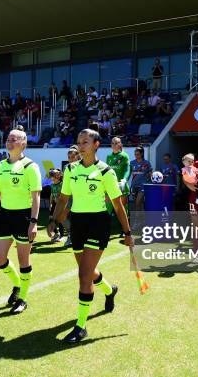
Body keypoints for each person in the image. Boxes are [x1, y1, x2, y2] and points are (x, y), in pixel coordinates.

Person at [47, 128, 133, 343]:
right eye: (79, 141)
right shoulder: (71, 170)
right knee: (88, 271)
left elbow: (118, 204)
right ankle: (109, 289)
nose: (81, 145)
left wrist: (128, 232)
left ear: (96, 145)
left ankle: (81, 326)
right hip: (77, 223)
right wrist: (53, 220)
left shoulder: (106, 172)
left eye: (86, 141)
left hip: (98, 223)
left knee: (84, 275)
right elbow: (64, 198)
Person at [0, 128, 41, 314]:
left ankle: (23, 299)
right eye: (8, 138)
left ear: (23, 143)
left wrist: (33, 222)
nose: (9, 141)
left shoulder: (30, 167)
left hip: (23, 217)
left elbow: (36, 197)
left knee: (23, 259)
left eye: (14, 139)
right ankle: (17, 284)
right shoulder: (0, 166)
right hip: (3, 216)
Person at [106, 137, 131, 216]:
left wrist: (124, 180)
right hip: (111, 186)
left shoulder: (124, 156)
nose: (114, 145)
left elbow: (127, 170)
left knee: (122, 209)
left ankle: (125, 227)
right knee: (107, 208)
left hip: (122, 186)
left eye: (116, 143)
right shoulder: (109, 157)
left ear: (120, 144)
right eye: (112, 143)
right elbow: (107, 171)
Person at [130, 147, 152, 211]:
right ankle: (140, 218)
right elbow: (128, 173)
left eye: (138, 154)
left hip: (142, 185)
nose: (136, 156)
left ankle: (139, 218)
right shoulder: (132, 163)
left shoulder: (146, 163)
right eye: (135, 154)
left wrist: (149, 178)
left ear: (142, 154)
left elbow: (150, 173)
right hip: (134, 185)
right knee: (138, 204)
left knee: (138, 202)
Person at [49, 169, 65, 243]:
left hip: (60, 204)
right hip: (54, 204)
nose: (51, 178)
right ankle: (56, 234)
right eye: (51, 176)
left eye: (52, 176)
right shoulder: (52, 185)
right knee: (51, 219)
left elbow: (63, 195)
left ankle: (61, 235)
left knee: (60, 220)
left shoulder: (61, 184)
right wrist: (50, 204)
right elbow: (52, 195)